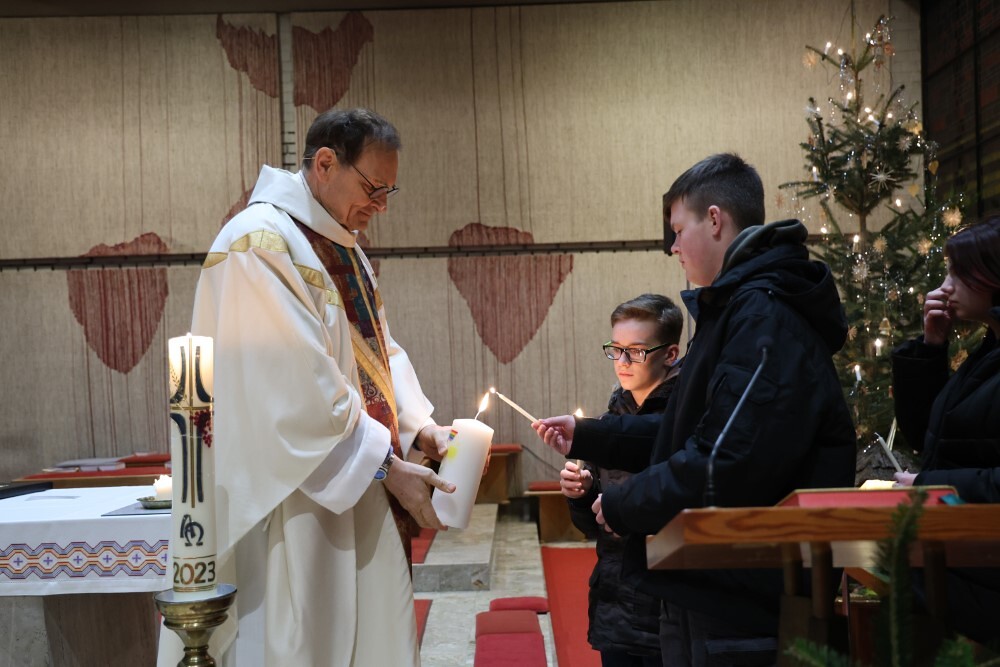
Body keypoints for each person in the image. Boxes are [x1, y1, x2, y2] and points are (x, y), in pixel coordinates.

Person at [158, 108, 456, 666]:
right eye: (373, 187)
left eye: (389, 191)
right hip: (296, 491)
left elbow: (377, 351)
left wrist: (421, 427)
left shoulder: (343, 245)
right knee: (306, 636)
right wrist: (387, 466)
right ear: (324, 164)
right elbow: (294, 386)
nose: (381, 205)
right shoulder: (259, 243)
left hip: (355, 477)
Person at [533, 153, 856, 666]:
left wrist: (625, 502)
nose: (674, 247)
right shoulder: (735, 307)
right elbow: (687, 428)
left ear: (715, 220)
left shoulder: (765, 316)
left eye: (678, 230)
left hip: (744, 596)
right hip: (709, 580)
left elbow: (726, 458)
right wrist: (590, 434)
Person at [891, 216, 1000, 645]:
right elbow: (929, 436)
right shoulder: (988, 351)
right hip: (965, 558)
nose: (944, 287)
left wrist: (927, 486)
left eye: (958, 273)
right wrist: (932, 346)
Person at [562, 294, 683, 667]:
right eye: (616, 349)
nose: (623, 362)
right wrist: (582, 494)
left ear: (671, 354)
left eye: (636, 351)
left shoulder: (684, 420)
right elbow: (592, 527)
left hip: (664, 605)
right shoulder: (610, 419)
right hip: (614, 604)